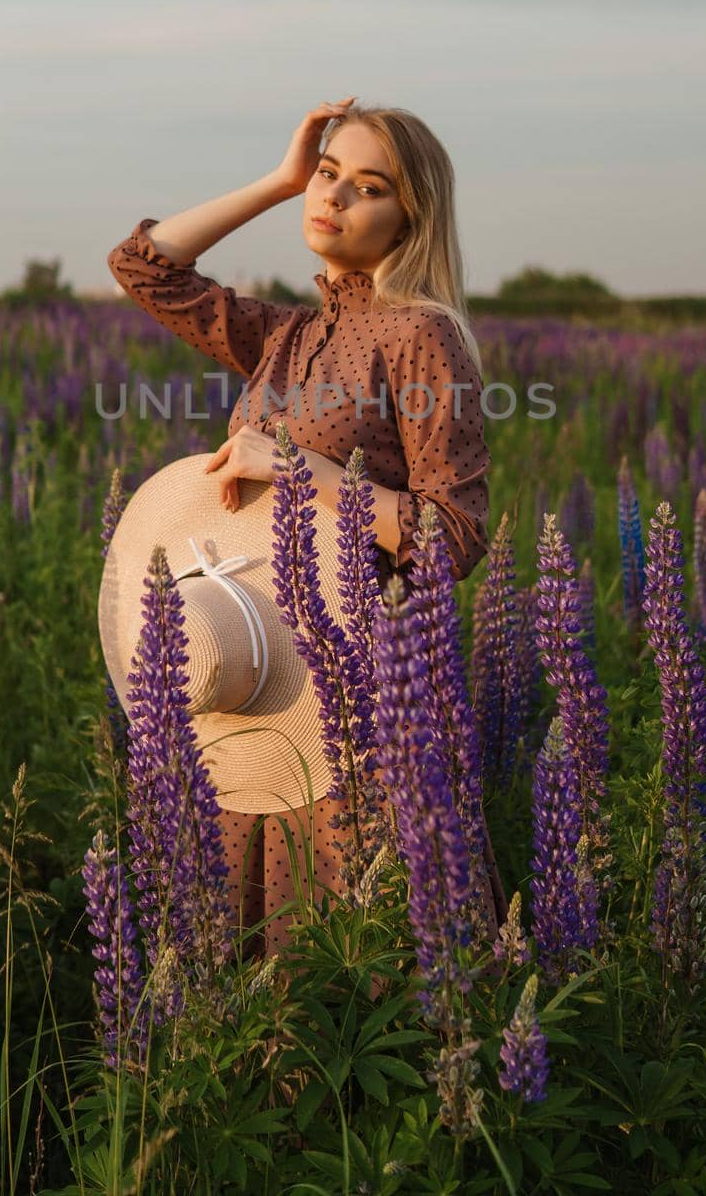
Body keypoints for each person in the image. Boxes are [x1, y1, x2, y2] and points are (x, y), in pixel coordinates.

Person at [106, 98, 499, 953]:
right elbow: (144, 268)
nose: (335, 199)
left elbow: (455, 536)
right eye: (329, 176)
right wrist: (279, 180)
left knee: (342, 965)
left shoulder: (421, 336)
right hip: (261, 674)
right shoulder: (288, 334)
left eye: (368, 186)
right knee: (240, 967)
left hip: (361, 706)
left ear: (411, 218)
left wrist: (304, 473)